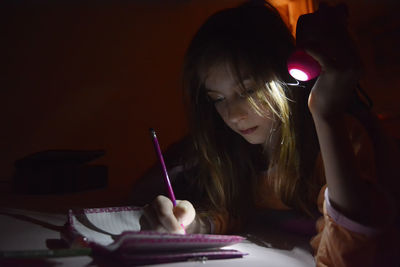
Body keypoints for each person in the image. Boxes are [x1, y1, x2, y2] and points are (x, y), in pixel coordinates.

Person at [131, 1, 400, 265]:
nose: (234, 115)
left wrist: (327, 115)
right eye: (218, 98)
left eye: (247, 91)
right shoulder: (242, 150)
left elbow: (347, 258)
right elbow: (233, 210)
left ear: (286, 76)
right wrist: (196, 221)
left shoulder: (340, 140)